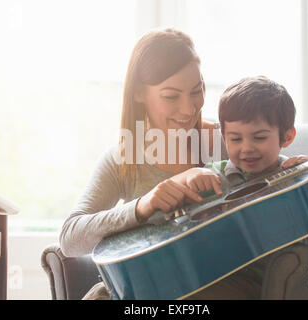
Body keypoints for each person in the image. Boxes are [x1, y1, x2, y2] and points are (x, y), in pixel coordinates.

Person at [59, 28, 227, 299]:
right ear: (139, 94)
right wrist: (141, 207)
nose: (189, 109)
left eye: (197, 91)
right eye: (171, 96)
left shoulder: (224, 143)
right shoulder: (123, 159)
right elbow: (69, 239)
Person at [169, 75, 308, 299]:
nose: (247, 148)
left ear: (287, 136)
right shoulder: (215, 175)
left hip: (279, 283)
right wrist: (190, 181)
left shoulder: (299, 175)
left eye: (259, 137)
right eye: (235, 139)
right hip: (223, 276)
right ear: (224, 137)